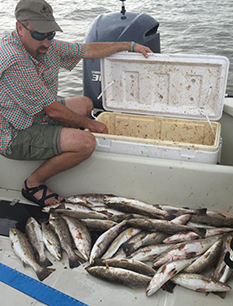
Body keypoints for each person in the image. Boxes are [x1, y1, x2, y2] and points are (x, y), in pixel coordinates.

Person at [0, 0, 153, 207]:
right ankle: (33, 183)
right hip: (15, 132)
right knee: (86, 143)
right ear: (19, 27)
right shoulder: (15, 59)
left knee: (85, 104)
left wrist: (129, 45)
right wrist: (90, 125)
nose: (45, 42)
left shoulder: (44, 45)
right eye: (39, 35)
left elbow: (87, 50)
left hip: (35, 113)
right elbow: (53, 111)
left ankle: (62, 140)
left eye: (50, 34)